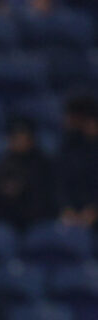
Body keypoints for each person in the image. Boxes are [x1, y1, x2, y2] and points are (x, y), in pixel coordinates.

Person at [0, 117, 57, 232]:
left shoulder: (44, 165)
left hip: (34, 224)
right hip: (4, 223)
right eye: (14, 137)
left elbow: (47, 201)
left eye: (22, 136)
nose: (18, 141)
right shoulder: (2, 164)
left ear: (31, 139)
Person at [54, 93, 98, 229]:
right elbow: (60, 181)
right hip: (73, 213)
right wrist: (66, 208)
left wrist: (94, 209)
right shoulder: (69, 146)